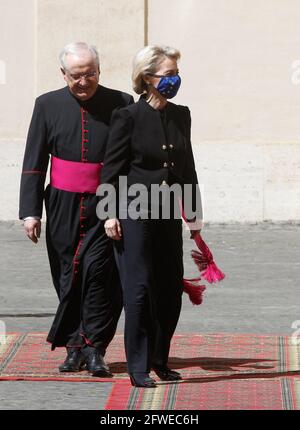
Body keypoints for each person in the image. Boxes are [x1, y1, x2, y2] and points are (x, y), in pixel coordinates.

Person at [19, 42, 134, 376]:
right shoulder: (46, 105)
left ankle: (96, 348)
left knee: (101, 276)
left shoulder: (121, 103)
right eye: (76, 76)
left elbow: (128, 162)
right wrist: (31, 211)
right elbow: (34, 161)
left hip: (105, 204)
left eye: (91, 74)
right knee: (67, 276)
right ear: (63, 74)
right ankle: (73, 348)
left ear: (99, 71)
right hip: (62, 204)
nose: (84, 82)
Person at [98, 45, 202, 387]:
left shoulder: (181, 114)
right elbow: (111, 168)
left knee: (169, 288)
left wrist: (194, 215)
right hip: (133, 211)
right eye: (168, 74)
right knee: (139, 288)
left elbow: (187, 167)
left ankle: (160, 359)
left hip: (167, 211)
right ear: (147, 77)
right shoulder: (127, 117)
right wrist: (109, 213)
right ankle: (138, 367)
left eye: (176, 74)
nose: (174, 80)